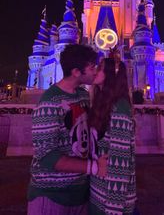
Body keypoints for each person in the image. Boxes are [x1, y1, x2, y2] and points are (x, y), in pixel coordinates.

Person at [27, 44, 107, 215]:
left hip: (80, 195)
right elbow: (48, 156)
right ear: (76, 72)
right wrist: (94, 168)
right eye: (92, 67)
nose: (95, 71)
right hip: (51, 197)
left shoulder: (83, 95)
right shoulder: (49, 103)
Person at [88, 58, 136, 215]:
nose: (95, 70)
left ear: (111, 74)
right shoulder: (101, 103)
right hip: (97, 194)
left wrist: (113, 209)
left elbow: (120, 162)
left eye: (100, 68)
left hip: (112, 202)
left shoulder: (120, 107)